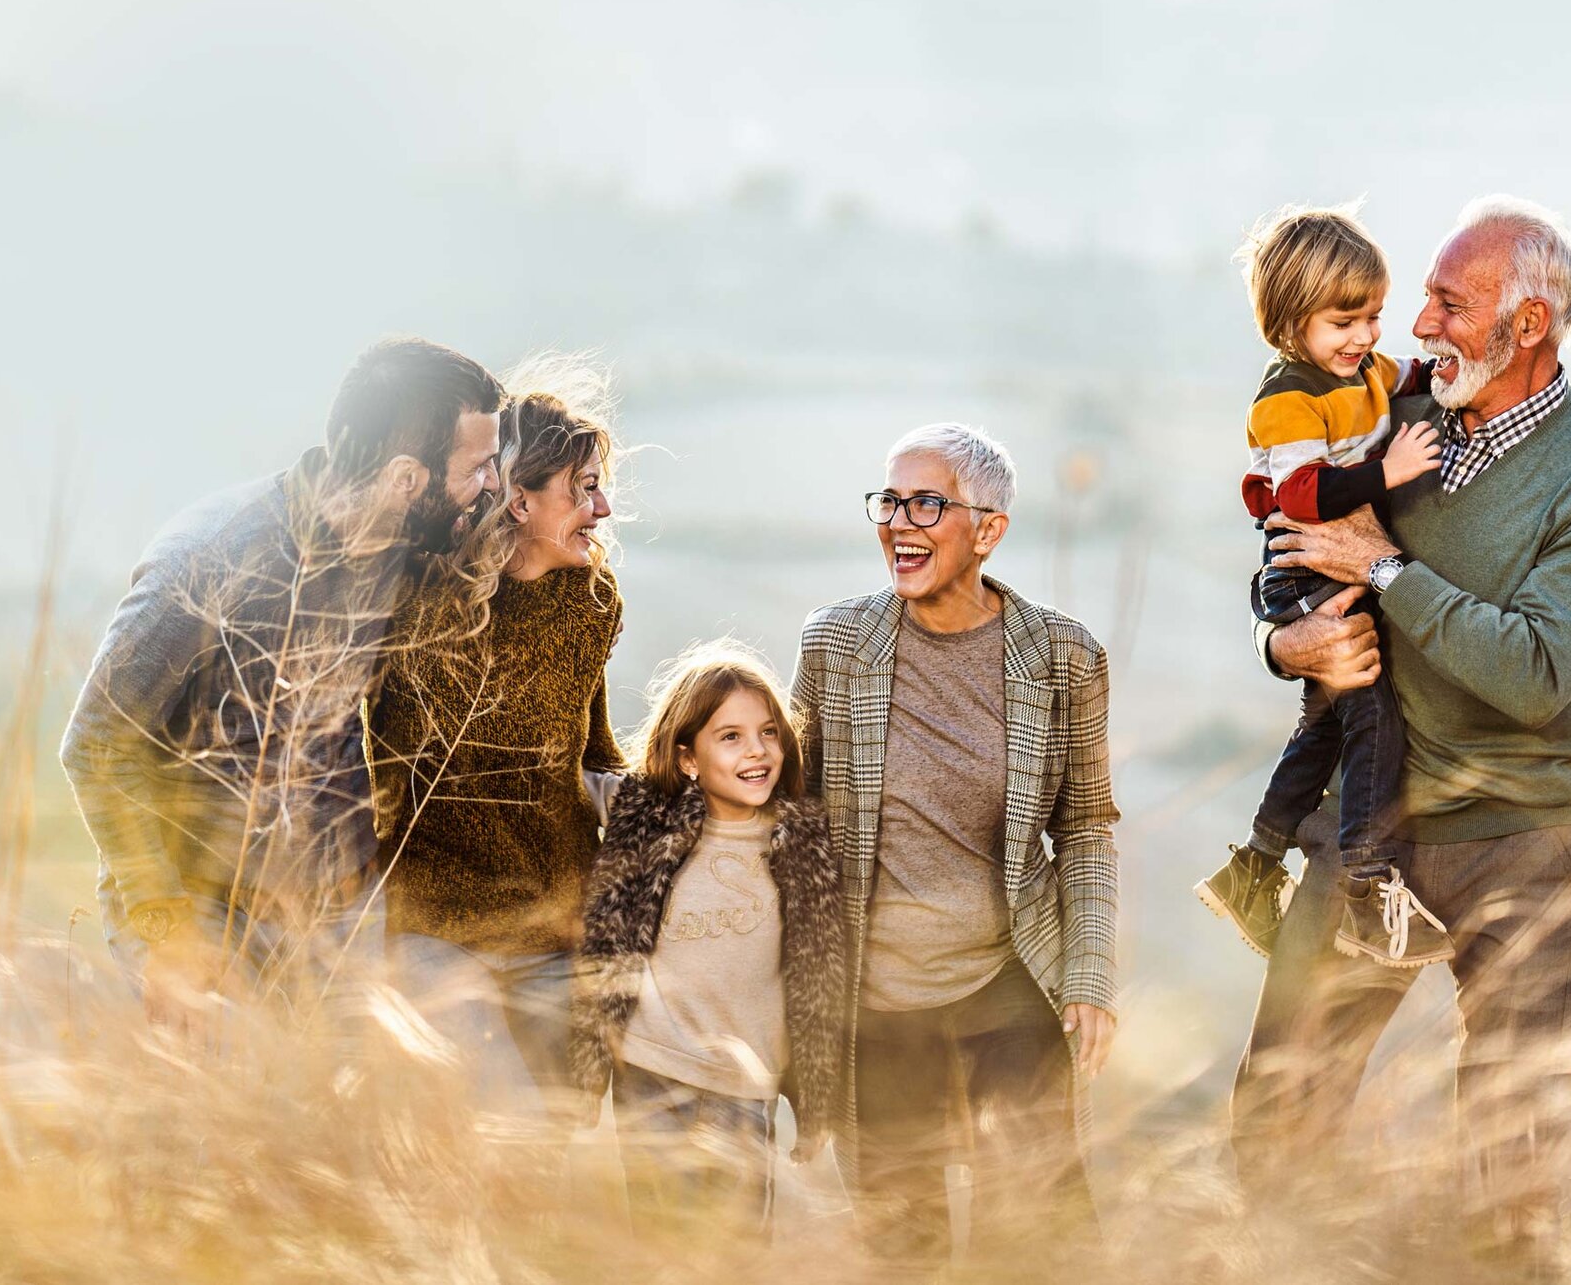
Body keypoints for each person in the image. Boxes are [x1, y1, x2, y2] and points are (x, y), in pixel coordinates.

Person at [1230, 195, 1571, 1253]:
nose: (1417, 325)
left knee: (1510, 1167)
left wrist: (1385, 567)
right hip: (1370, 818)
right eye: (1421, 296)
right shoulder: (1400, 415)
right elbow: (1292, 544)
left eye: (1446, 302)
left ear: (1528, 328)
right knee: (1277, 1120)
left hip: (1521, 840)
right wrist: (1283, 645)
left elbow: (1534, 673)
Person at [59, 336, 504, 1027]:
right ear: (405, 480)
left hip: (337, 919)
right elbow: (97, 743)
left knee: (359, 1127)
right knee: (229, 1130)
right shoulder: (208, 560)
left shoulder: (405, 547)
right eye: (478, 467)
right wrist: (166, 933)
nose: (492, 486)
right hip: (202, 917)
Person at [792, 422, 1118, 1277]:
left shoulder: (1064, 656)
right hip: (878, 1005)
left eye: (927, 503)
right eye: (889, 501)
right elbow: (790, 817)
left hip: (1005, 986)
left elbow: (1084, 824)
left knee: (1044, 1232)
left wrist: (1088, 973)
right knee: (905, 1246)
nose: (900, 522)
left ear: (988, 529)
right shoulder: (834, 645)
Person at [1197, 202, 1452, 969]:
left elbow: (1408, 374)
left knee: (1326, 728)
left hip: (1330, 565)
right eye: (1344, 322)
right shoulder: (1286, 399)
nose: (1366, 337)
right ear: (1291, 319)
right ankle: (1369, 892)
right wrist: (1390, 472)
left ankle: (1255, 867)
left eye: (1373, 316)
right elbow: (1304, 494)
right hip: (1304, 571)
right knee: (1375, 719)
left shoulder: (1363, 370)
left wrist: (1442, 372)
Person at [365, 375, 622, 1122]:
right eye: (583, 490)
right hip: (437, 931)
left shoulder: (592, 603)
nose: (600, 509)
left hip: (553, 935)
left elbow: (591, 751)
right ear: (519, 501)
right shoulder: (416, 600)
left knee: (548, 1151)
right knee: (491, 1136)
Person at [571, 641, 847, 1241]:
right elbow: (560, 777)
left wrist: (816, 1098)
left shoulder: (801, 842)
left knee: (737, 1251)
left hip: (743, 1090)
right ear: (687, 757)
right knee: (663, 1247)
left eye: (769, 732)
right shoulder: (644, 817)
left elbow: (817, 978)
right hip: (648, 1072)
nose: (758, 751)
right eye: (731, 737)